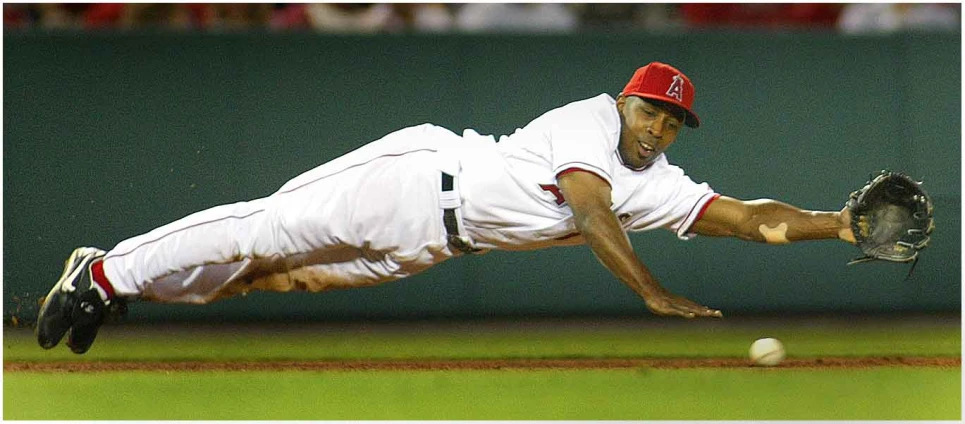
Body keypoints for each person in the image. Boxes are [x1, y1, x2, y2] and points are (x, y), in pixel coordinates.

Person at [36, 62, 856, 354]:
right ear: (625, 102)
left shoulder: (659, 179)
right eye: (650, 111)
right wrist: (648, 291)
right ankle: (106, 272)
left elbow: (750, 217)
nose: (656, 127)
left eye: (671, 121)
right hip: (419, 179)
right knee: (266, 226)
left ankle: (126, 284)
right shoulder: (589, 121)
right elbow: (592, 212)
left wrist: (838, 225)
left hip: (428, 246)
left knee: (264, 277)